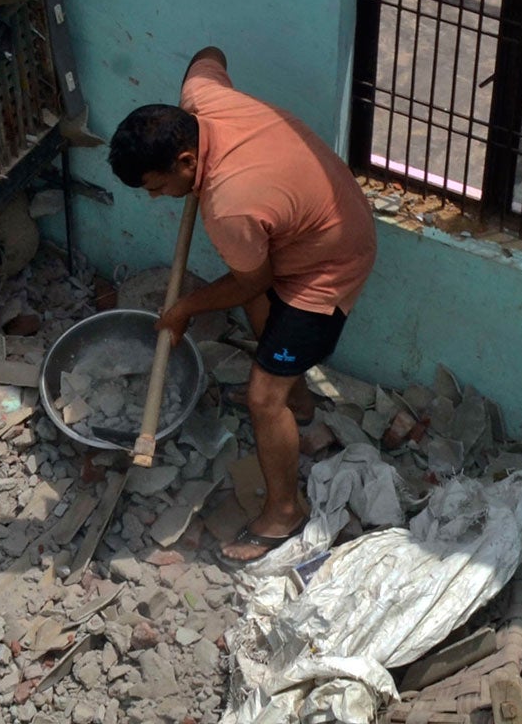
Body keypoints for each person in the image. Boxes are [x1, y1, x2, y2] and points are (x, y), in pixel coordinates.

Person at [107, 46, 377, 565]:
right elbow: (209, 54)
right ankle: (300, 405)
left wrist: (185, 307)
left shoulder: (230, 204)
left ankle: (284, 512)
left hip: (329, 266)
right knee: (258, 314)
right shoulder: (202, 98)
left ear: (187, 160)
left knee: (260, 399)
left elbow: (257, 278)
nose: (158, 197)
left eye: (159, 186)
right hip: (317, 221)